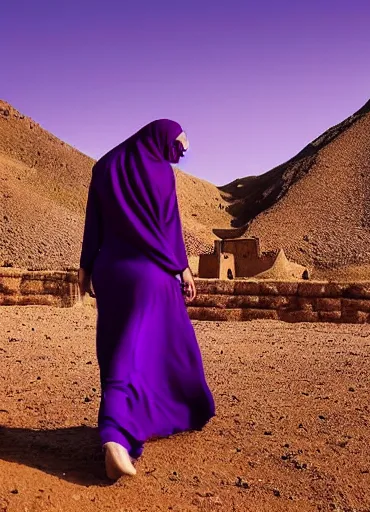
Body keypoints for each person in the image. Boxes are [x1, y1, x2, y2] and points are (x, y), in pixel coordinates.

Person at [78, 119, 215, 480]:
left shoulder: (103, 166)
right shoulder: (160, 173)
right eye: (178, 148)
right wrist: (183, 268)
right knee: (150, 347)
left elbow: (94, 223)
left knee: (117, 346)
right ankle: (115, 435)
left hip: (110, 271)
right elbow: (169, 226)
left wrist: (85, 268)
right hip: (150, 276)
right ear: (161, 138)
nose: (179, 156)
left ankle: (130, 420)